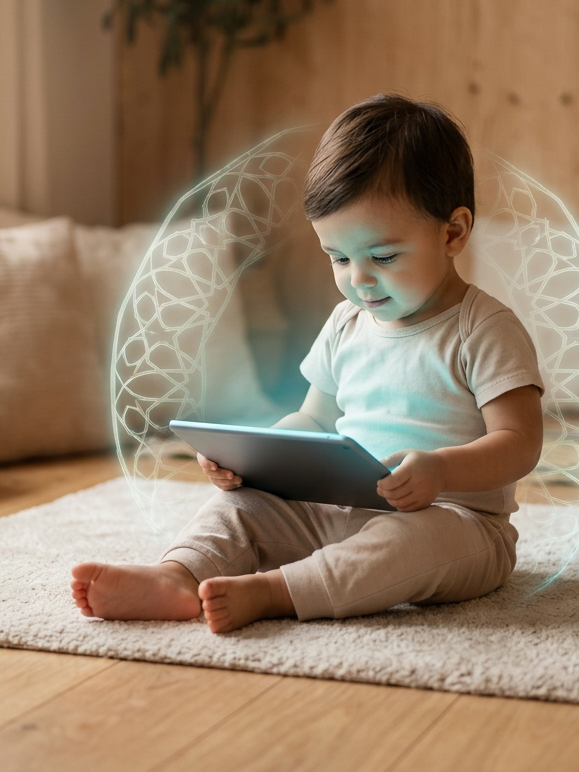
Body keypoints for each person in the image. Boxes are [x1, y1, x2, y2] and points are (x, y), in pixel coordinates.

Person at [71, 94, 544, 633]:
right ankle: (178, 575)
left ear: (453, 232)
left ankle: (276, 591)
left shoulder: (482, 329)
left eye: (382, 257)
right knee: (246, 506)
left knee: (411, 540)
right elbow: (313, 421)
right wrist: (254, 459)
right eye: (339, 258)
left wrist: (441, 470)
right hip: (335, 511)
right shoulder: (346, 324)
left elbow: (521, 442)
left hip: (457, 525)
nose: (358, 279)